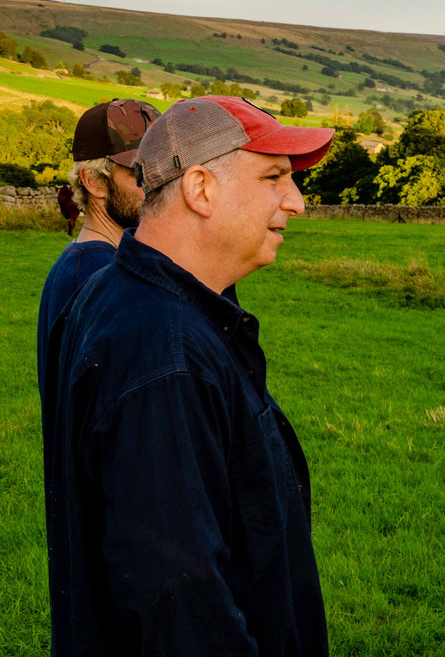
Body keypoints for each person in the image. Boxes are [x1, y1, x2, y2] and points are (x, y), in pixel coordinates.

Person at [41, 95, 335, 655]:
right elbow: (178, 602)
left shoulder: (135, 300)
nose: (296, 202)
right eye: (274, 176)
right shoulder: (162, 355)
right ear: (201, 188)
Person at [36, 98, 160, 399]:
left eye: (160, 169)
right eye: (139, 173)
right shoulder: (97, 278)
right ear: (94, 181)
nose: (157, 184)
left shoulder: (90, 263)